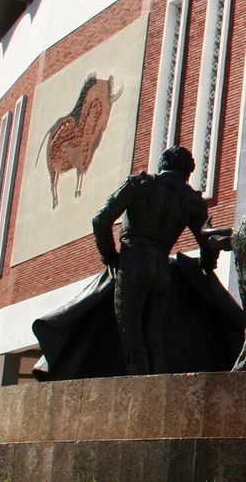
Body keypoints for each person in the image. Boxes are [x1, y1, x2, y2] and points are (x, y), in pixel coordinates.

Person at [91, 145, 231, 375]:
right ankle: (158, 389)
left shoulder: (139, 185)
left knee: (131, 333)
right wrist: (206, 266)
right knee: (155, 336)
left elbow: (100, 221)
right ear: (187, 173)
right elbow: (208, 242)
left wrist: (110, 257)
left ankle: (140, 394)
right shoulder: (190, 200)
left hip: (133, 263)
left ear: (162, 164)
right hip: (161, 270)